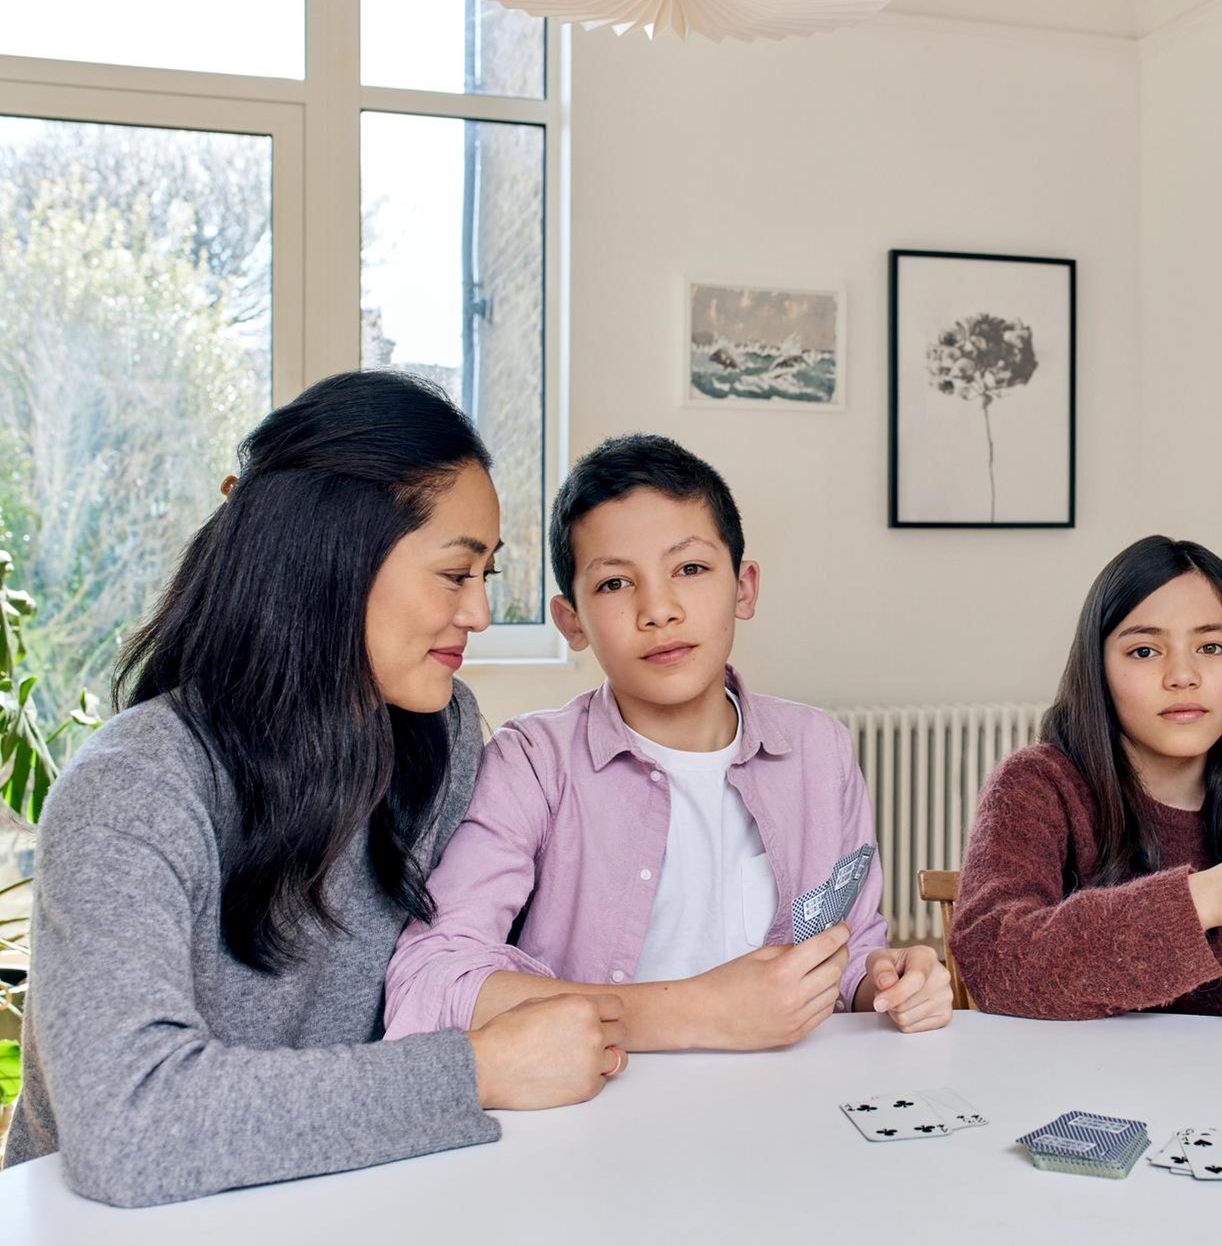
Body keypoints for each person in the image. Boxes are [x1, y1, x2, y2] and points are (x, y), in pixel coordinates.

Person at [2, 372, 626, 1206]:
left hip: (342, 1202)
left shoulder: (441, 740)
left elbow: (467, 975)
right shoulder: (133, 788)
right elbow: (132, 1123)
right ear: (328, 557)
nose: (479, 613)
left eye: (487, 574)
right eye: (455, 573)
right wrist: (479, 1070)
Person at [383, 434, 952, 1048]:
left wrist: (890, 980)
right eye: (613, 585)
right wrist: (701, 1010)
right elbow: (429, 985)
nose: (659, 610)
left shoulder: (819, 751)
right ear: (571, 620)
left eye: (690, 569)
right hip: (602, 1109)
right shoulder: (533, 763)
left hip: (789, 1108)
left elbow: (851, 955)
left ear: (744, 587)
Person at [950, 535, 1222, 1020]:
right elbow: (994, 965)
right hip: (1074, 1088)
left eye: (1212, 647)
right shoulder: (1037, 785)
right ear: (1098, 670)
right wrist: (1209, 897)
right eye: (1144, 652)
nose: (1182, 675)